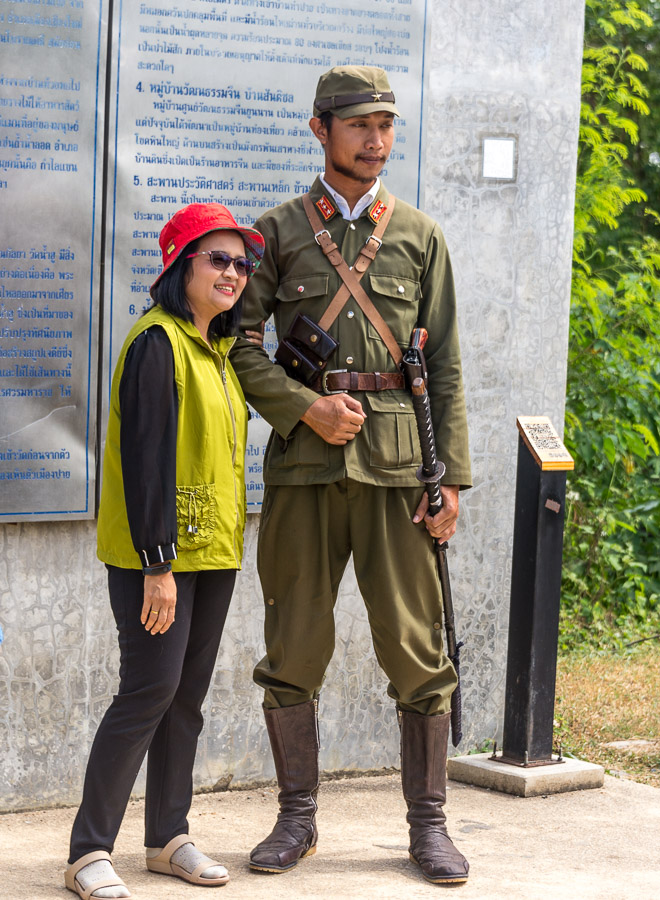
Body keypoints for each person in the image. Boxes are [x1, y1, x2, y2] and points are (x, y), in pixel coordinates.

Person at [230, 66, 472, 885]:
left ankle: (429, 827)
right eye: (359, 124)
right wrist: (305, 409)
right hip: (304, 468)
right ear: (320, 130)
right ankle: (296, 819)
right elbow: (240, 346)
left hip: (402, 468)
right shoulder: (276, 233)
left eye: (386, 125)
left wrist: (454, 482)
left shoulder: (420, 237)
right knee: (293, 643)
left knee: (416, 648)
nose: (375, 140)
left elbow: (444, 367)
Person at [64, 203, 264, 900]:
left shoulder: (218, 350)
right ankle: (89, 851)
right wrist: (157, 564)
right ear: (181, 265)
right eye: (219, 259)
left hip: (213, 551)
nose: (234, 273)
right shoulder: (157, 343)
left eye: (242, 263)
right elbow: (146, 459)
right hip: (160, 556)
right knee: (147, 691)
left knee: (186, 697)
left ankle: (167, 837)